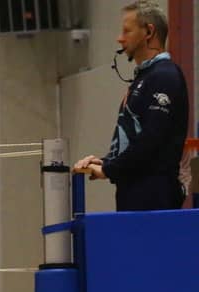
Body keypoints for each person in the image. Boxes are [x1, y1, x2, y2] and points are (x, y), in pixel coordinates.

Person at [72, 0, 189, 211]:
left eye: (127, 31)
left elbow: (152, 140)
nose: (120, 38)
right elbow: (135, 140)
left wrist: (109, 169)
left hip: (155, 200)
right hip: (134, 195)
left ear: (149, 32)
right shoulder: (146, 77)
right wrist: (106, 162)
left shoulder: (165, 76)